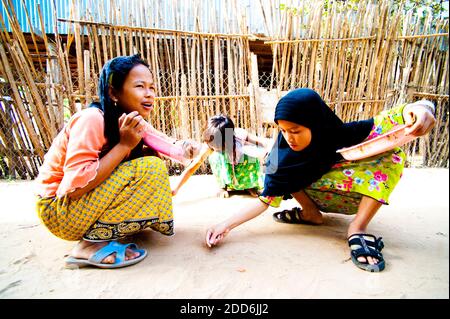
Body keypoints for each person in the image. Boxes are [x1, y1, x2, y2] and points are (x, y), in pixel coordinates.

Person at [205, 88, 436, 272]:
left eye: (295, 130)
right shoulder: (281, 155)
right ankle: (310, 214)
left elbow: (392, 119)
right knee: (279, 171)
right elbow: (265, 199)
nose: (289, 138)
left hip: (354, 195)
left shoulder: (339, 133)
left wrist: (421, 109)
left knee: (392, 155)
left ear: (315, 121)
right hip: (318, 195)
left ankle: (358, 228)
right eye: (283, 130)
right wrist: (224, 225)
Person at [35, 54, 199, 269]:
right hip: (59, 211)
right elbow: (73, 188)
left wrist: (188, 148)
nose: (149, 94)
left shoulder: (129, 120)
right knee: (150, 166)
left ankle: (104, 231)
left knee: (151, 157)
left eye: (152, 87)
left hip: (77, 207)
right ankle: (87, 247)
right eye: (140, 86)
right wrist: (124, 146)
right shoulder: (92, 119)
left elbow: (168, 145)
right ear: (113, 92)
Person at [171, 114, 270, 198]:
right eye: (211, 144)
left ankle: (250, 186)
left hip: (242, 170)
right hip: (228, 175)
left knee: (250, 154)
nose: (213, 148)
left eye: (217, 145)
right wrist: (176, 189)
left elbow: (262, 142)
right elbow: (192, 168)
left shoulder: (240, 135)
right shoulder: (209, 146)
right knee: (215, 156)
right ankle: (223, 186)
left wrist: (267, 151)